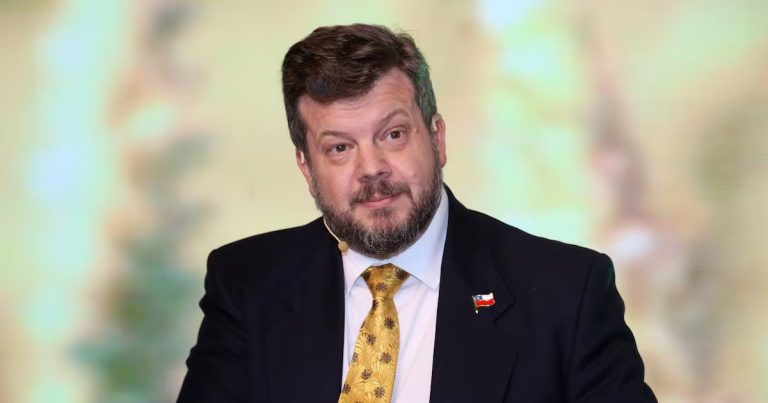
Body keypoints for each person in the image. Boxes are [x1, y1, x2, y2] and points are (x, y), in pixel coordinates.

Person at [177, 23, 657, 403]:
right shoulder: (248, 286)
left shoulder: (564, 293)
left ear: (437, 138)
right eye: (340, 147)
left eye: (393, 135)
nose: (371, 169)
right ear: (306, 167)